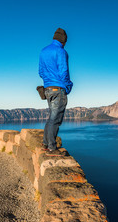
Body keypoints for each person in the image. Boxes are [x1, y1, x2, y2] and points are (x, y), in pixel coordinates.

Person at [39, 28, 73, 156]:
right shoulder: (61, 51)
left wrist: (48, 82)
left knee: (51, 117)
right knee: (56, 119)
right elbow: (64, 72)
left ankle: (46, 143)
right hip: (58, 89)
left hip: (47, 89)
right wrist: (68, 86)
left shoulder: (43, 51)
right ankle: (52, 148)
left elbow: (40, 72)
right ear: (63, 40)